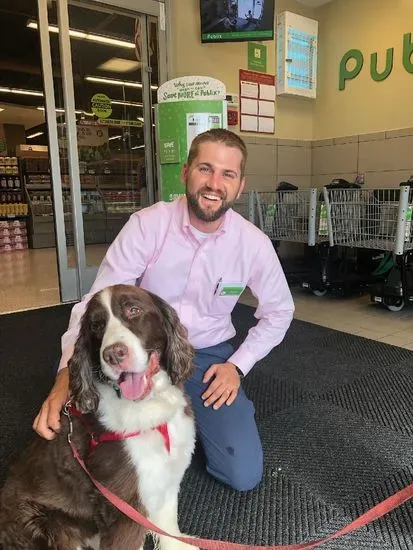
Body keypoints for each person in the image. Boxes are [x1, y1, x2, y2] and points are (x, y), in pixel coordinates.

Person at [33, 128, 295, 492]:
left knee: (243, 474)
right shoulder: (147, 225)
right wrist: (65, 374)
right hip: (139, 347)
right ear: (185, 172)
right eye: (205, 168)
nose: (214, 183)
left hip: (207, 356)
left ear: (240, 185)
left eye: (227, 174)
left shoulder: (253, 244)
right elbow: (96, 302)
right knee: (79, 453)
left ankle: (202, 416)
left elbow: (280, 312)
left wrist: (238, 365)